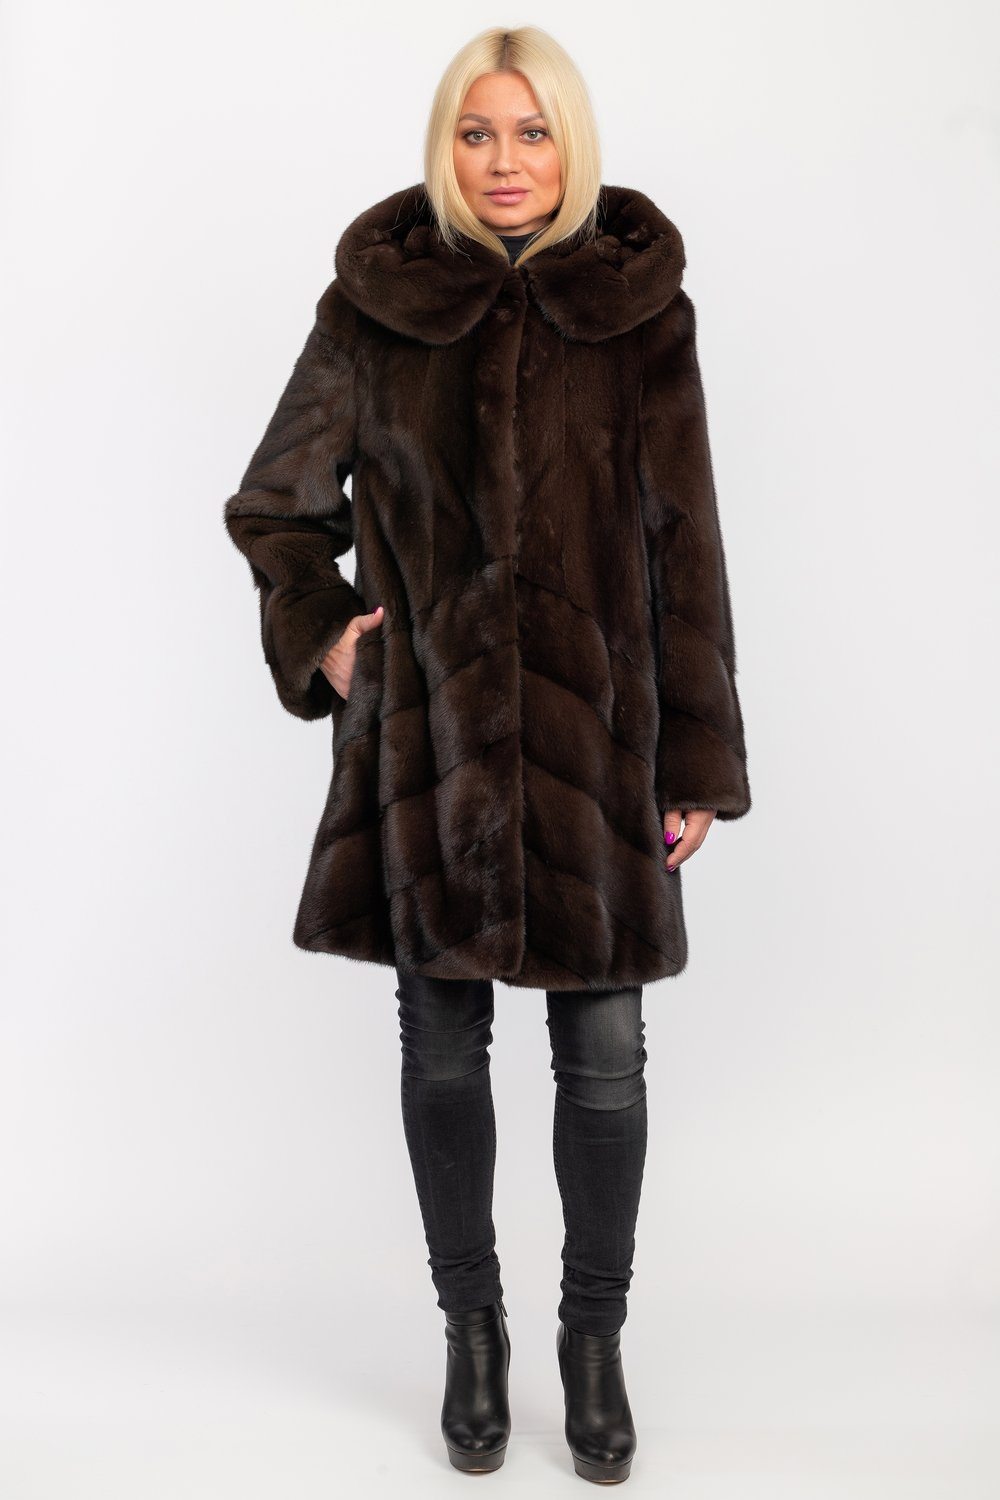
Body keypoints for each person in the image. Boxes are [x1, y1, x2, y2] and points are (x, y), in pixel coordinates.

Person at [223, 24, 751, 1485]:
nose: (505, 161)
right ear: (444, 146)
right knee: (443, 1045)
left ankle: (593, 1339)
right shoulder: (373, 311)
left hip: (602, 743)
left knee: (607, 1053)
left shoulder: (641, 314)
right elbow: (274, 506)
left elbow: (687, 541)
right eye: (477, 133)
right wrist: (328, 637)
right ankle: (472, 1331)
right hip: (434, 747)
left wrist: (695, 757)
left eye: (530, 132)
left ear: (570, 144)